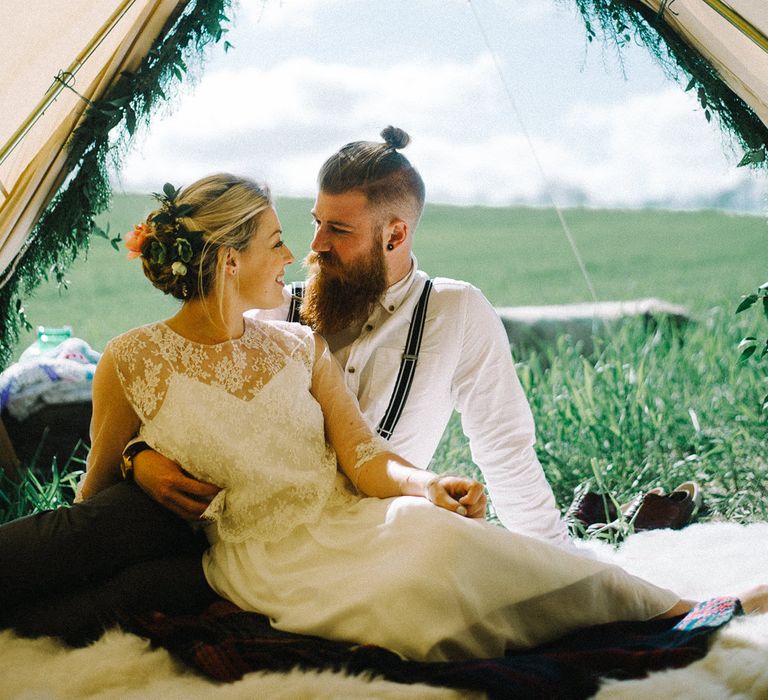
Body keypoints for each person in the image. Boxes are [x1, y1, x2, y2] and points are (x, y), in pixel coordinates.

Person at [2, 173, 765, 657]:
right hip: (255, 554)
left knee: (436, 538)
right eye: (277, 242)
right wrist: (138, 459)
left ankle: (674, 608)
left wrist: (425, 485)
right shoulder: (131, 360)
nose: (294, 255)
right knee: (409, 594)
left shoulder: (299, 345)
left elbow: (365, 457)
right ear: (227, 260)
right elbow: (95, 494)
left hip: (347, 519)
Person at [132, 126, 569, 547]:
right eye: (316, 221)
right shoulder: (272, 305)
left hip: (386, 533)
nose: (316, 244)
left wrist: (558, 560)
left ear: (395, 235)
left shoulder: (457, 313)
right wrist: (137, 457)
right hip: (266, 539)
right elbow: (187, 398)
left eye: (338, 230)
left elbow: (506, 451)